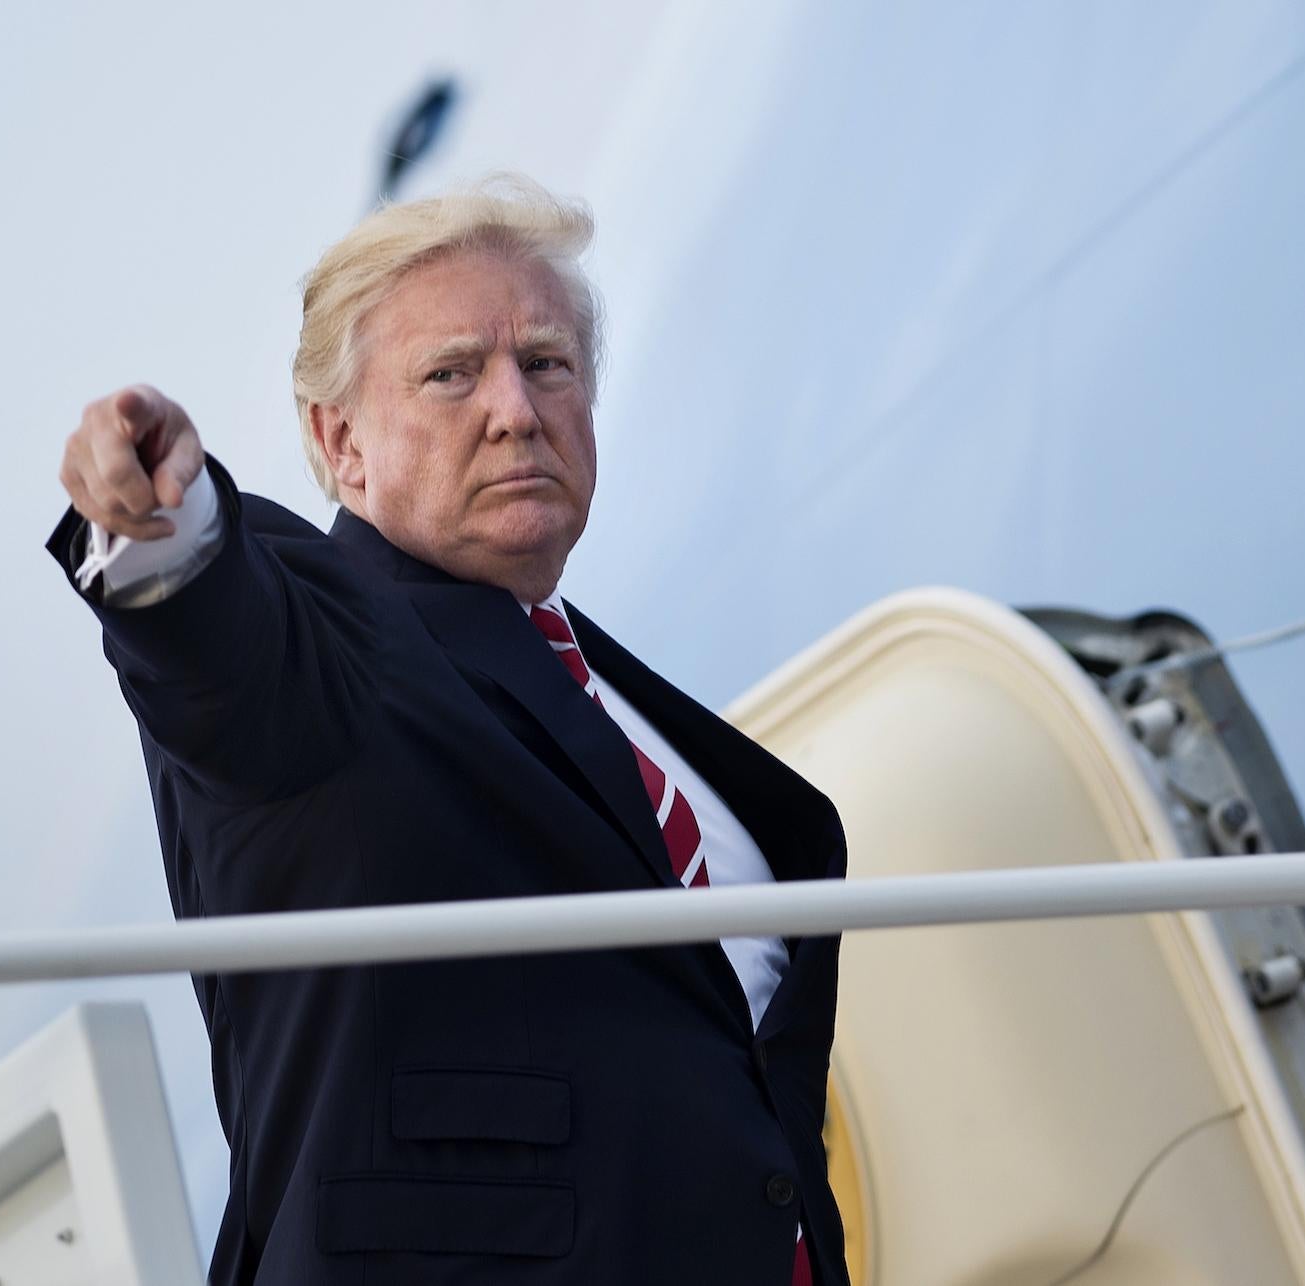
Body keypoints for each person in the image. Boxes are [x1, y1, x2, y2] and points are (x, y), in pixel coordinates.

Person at [48, 176, 848, 1286]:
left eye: (547, 363)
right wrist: (165, 520)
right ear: (341, 443)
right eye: (451, 373)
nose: (515, 407)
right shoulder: (329, 642)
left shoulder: (622, 706)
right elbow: (221, 644)